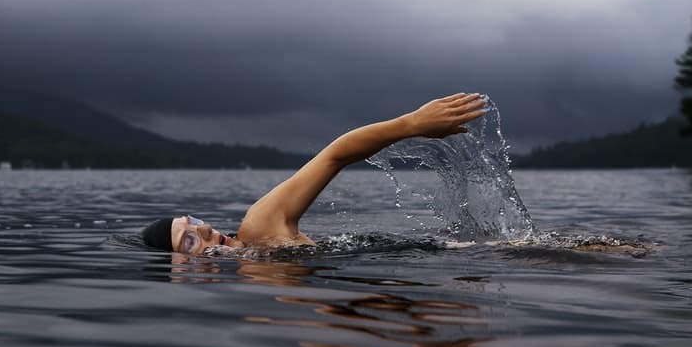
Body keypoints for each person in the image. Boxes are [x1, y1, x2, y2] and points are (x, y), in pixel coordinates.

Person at [142, 93, 487, 253]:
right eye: (188, 240)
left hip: (463, 253)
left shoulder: (259, 229)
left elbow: (334, 156)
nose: (204, 228)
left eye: (194, 221)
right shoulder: (254, 276)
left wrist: (411, 124)